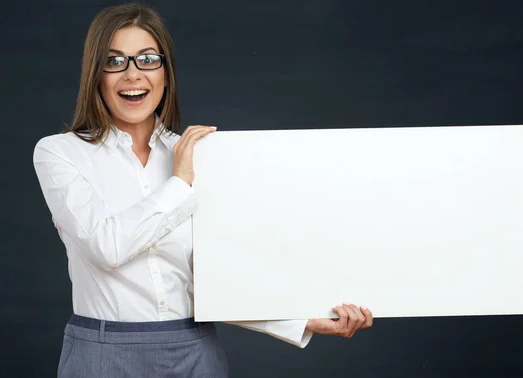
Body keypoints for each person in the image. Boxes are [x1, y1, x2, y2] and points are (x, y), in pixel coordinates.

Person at [33, 3, 373, 377]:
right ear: (95, 74)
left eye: (147, 59)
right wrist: (180, 184)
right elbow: (107, 247)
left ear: (166, 72)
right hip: (102, 356)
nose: (132, 75)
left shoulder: (201, 157)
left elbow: (217, 281)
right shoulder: (60, 153)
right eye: (115, 61)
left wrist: (304, 321)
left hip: (195, 355)